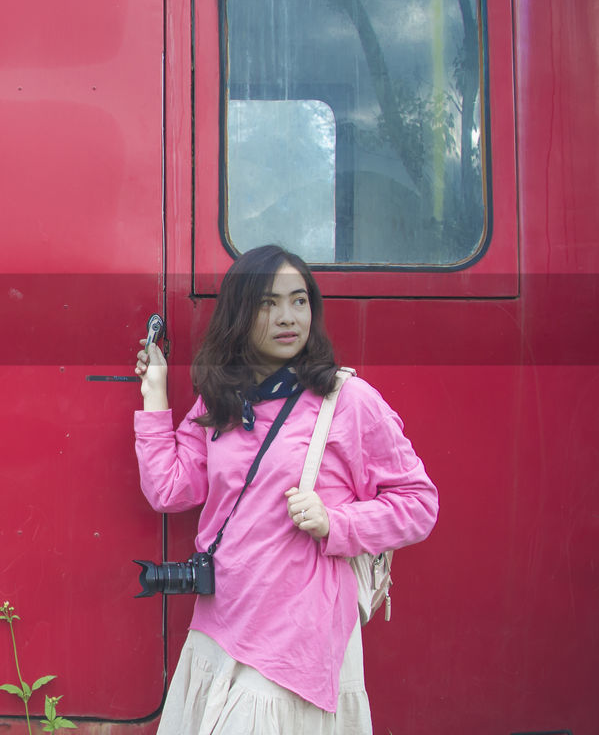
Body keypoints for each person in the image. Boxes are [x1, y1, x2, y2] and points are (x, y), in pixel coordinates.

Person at [133, 245, 438, 735]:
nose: (287, 317)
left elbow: (420, 505)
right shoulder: (221, 399)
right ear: (238, 313)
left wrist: (336, 523)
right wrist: (155, 395)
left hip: (294, 636)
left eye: (299, 301)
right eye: (267, 304)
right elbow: (170, 490)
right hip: (221, 624)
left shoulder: (347, 400)